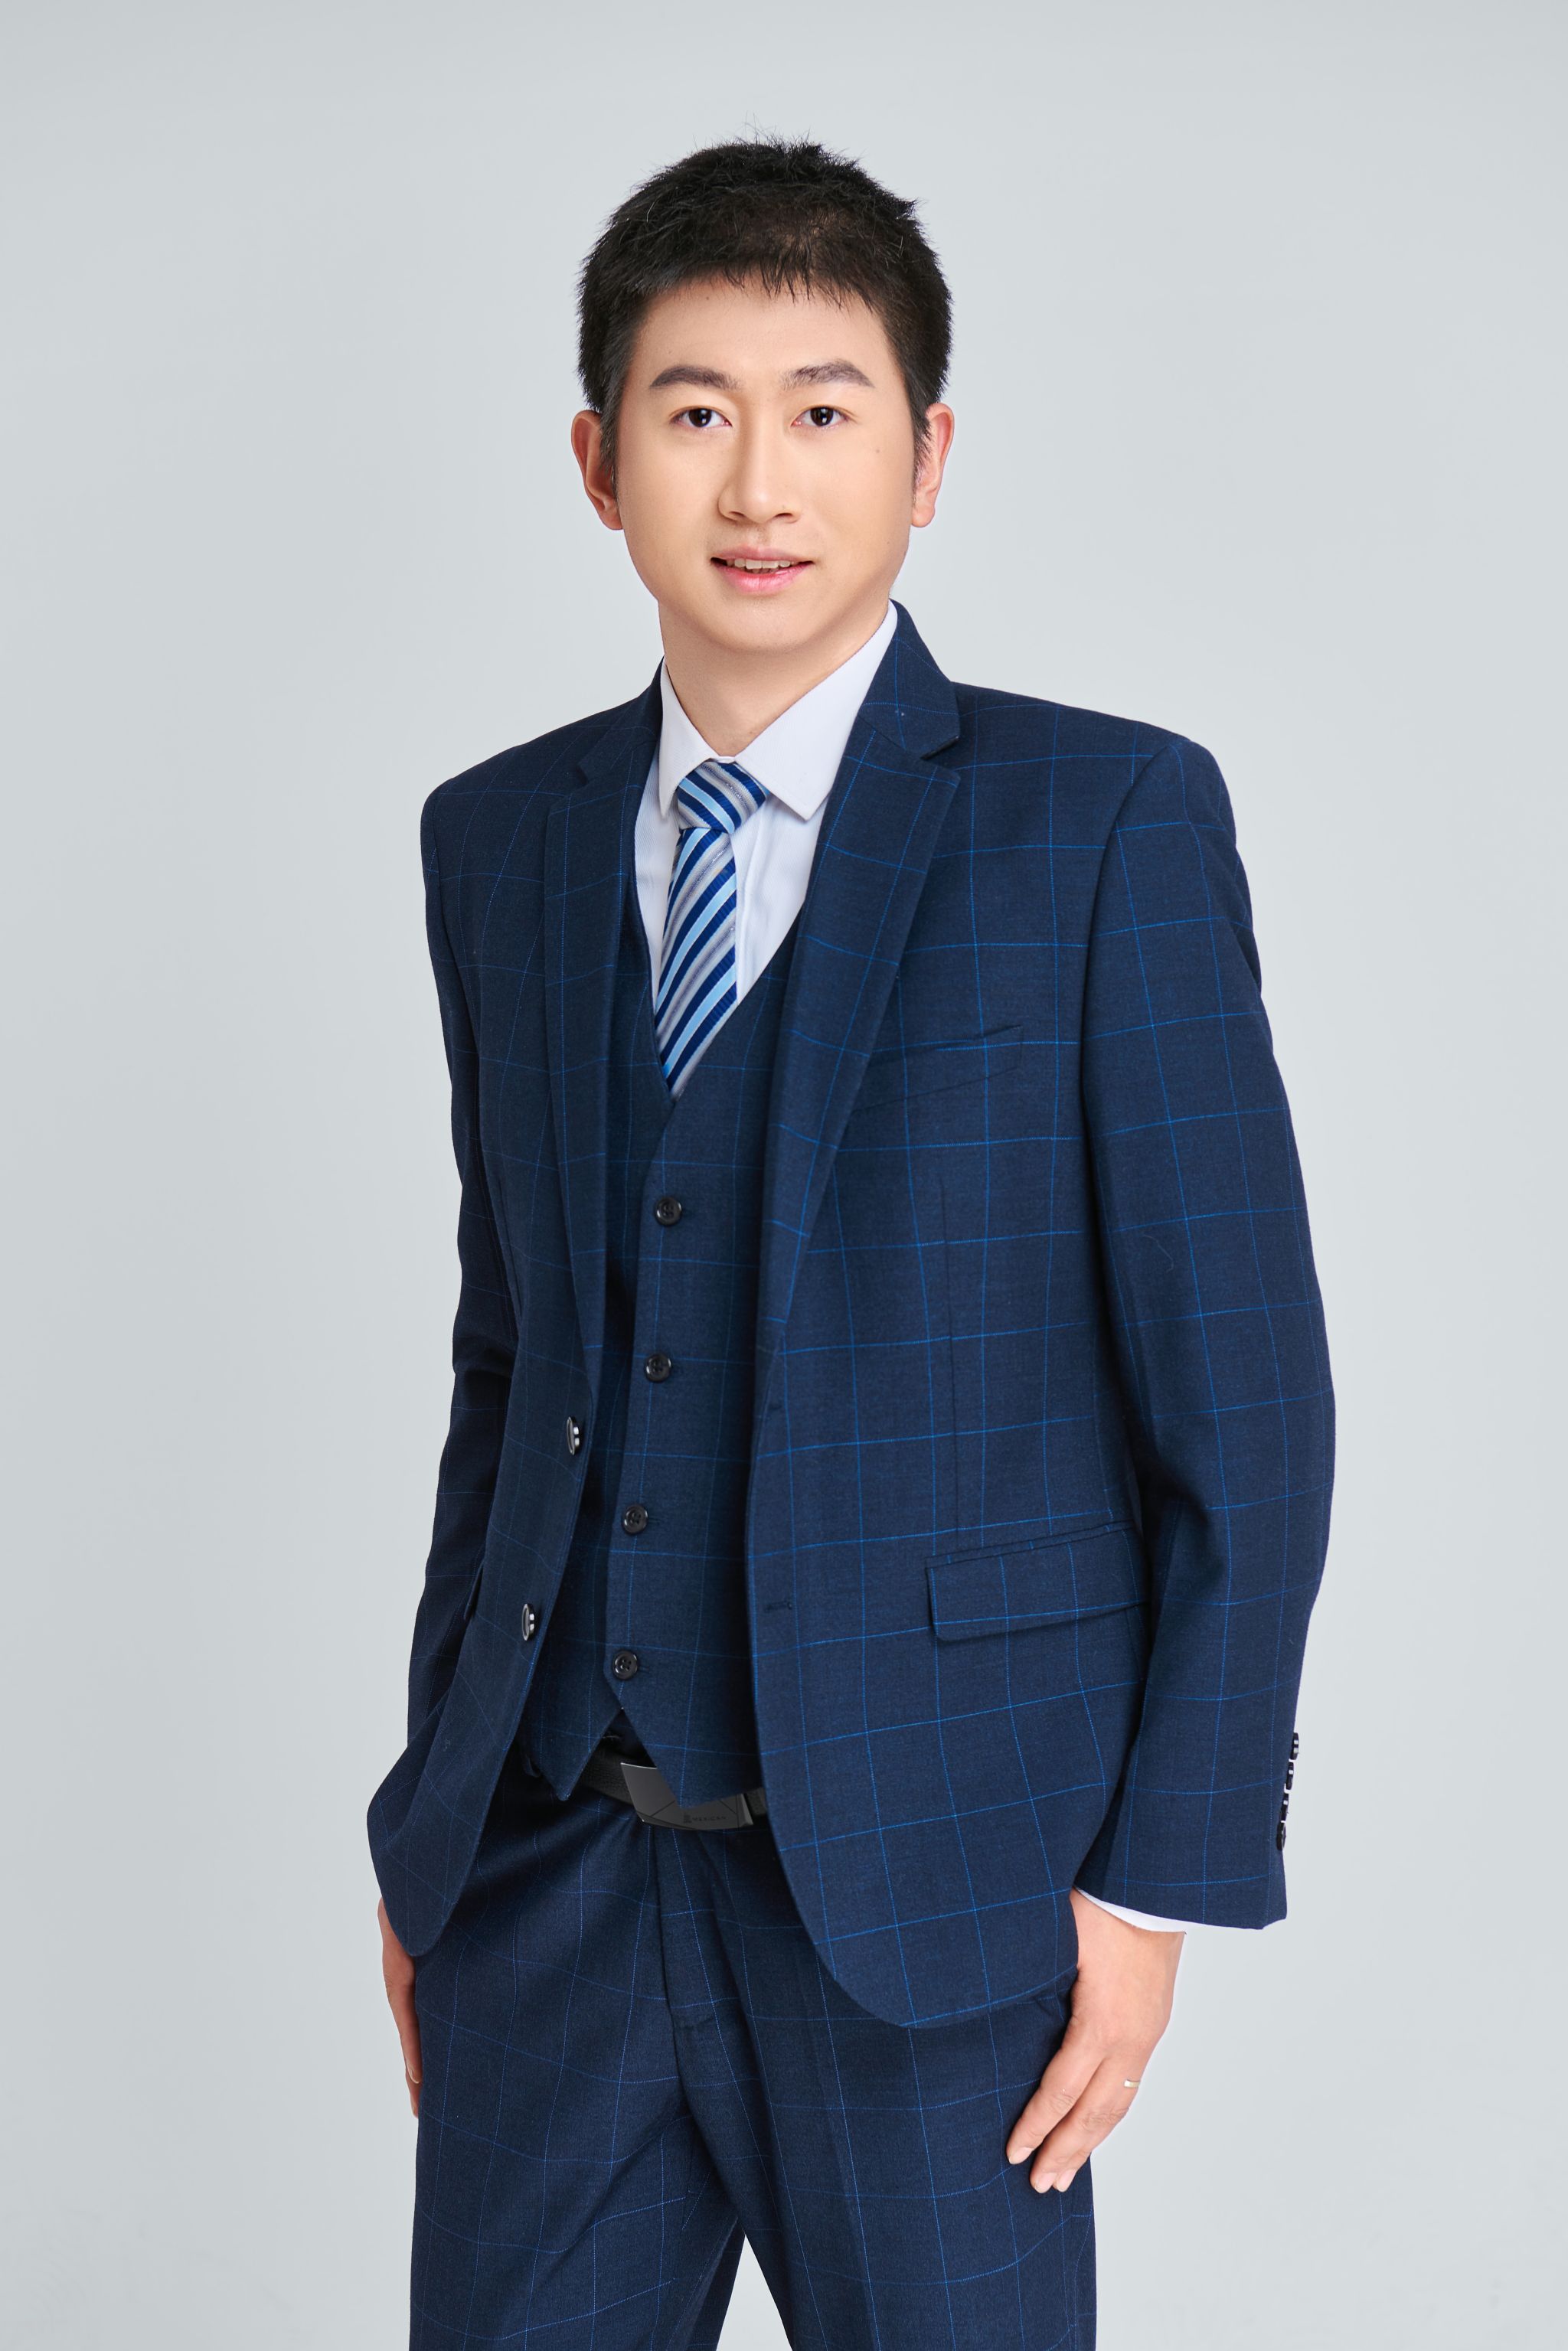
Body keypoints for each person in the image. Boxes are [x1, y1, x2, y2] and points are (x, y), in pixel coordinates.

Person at [368, 135, 1334, 2350]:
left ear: (930, 459)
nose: (759, 481)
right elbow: (511, 1358)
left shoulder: (1102, 825)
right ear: (601, 465)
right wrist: (438, 1807)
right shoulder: (498, 843)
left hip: (943, 1899)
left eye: (825, 410)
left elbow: (1248, 1406)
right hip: (548, 1873)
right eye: (695, 410)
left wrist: (1159, 1881)